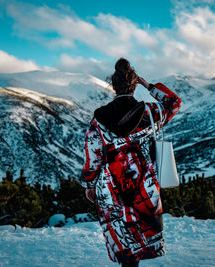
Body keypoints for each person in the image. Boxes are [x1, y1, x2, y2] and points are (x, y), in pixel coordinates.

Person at [80, 58, 182, 266]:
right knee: (142, 235)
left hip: (111, 186)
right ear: (134, 85)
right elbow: (174, 102)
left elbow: (93, 154)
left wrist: (89, 184)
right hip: (144, 185)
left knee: (123, 240)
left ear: (114, 86)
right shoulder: (150, 113)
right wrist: (148, 86)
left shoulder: (99, 119)